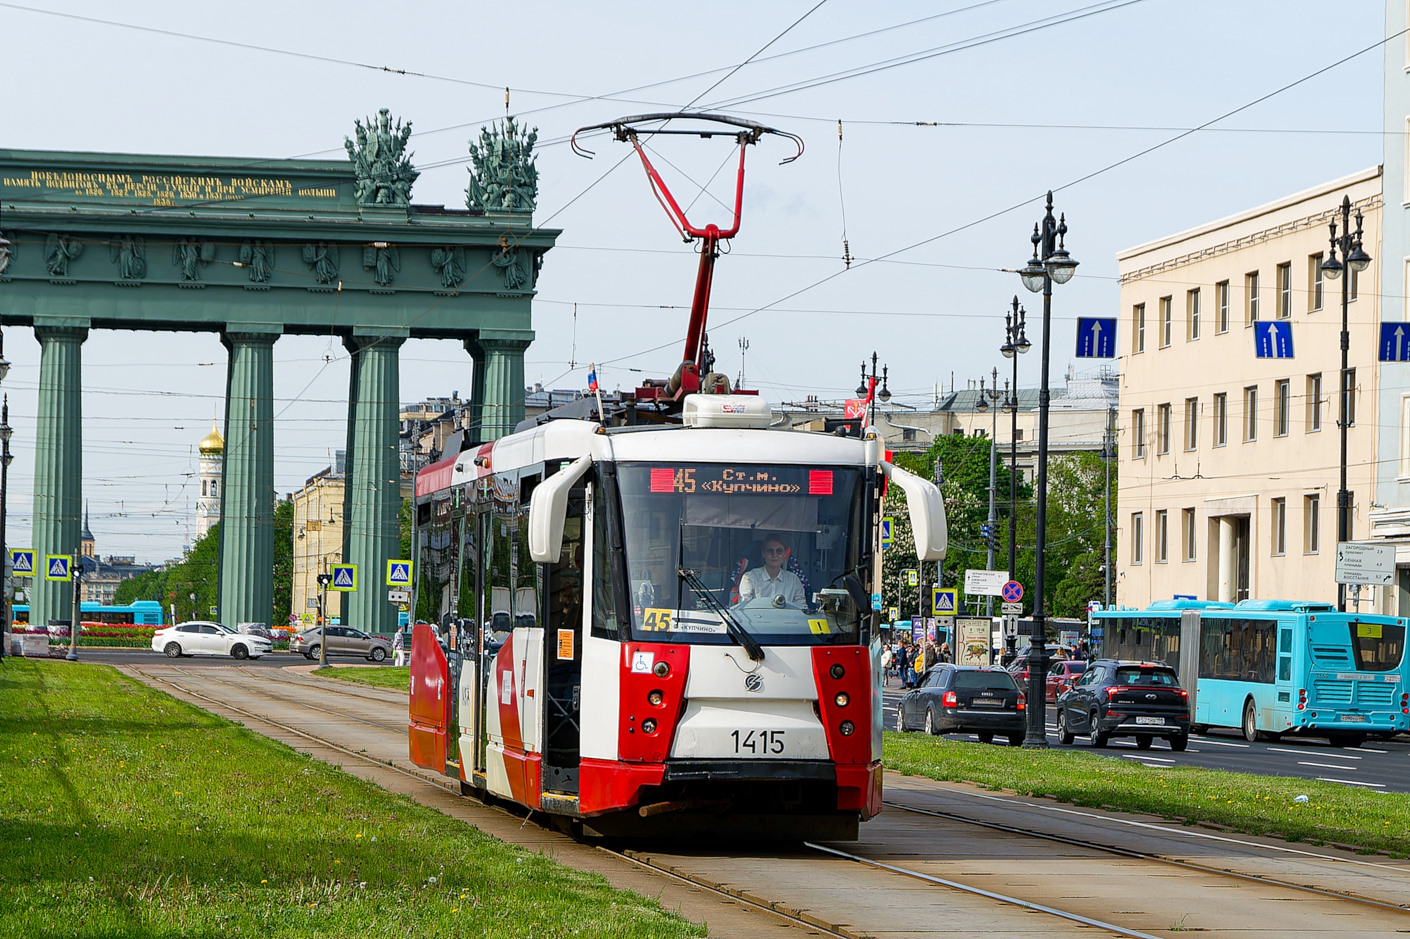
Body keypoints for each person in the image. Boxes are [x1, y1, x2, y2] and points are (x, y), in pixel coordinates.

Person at [736, 534, 806, 607]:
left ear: (785, 554)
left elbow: (802, 607)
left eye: (779, 551)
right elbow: (744, 607)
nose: (774, 555)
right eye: (770, 551)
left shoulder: (793, 580)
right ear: (763, 553)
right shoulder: (749, 577)